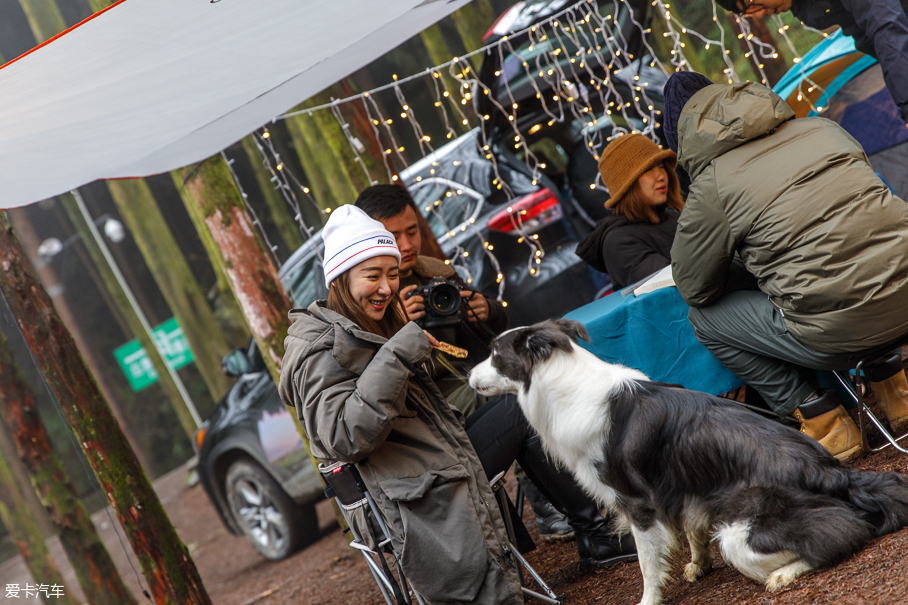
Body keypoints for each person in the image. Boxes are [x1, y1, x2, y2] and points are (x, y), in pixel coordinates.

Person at [278, 206, 636, 603]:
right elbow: (344, 437)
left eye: (392, 274)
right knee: (523, 404)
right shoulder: (319, 350)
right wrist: (397, 354)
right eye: (372, 275)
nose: (385, 287)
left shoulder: (367, 319)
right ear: (341, 278)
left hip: (430, 461)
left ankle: (594, 531)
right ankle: (597, 533)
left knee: (524, 396)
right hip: (406, 490)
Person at [663, 71, 908, 461]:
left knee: (704, 319)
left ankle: (824, 419)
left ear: (684, 139)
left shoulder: (713, 185)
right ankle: (896, 389)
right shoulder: (823, 128)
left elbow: (695, 288)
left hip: (841, 336)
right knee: (857, 253)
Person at [356, 185, 575, 542]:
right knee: (507, 398)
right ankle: (551, 505)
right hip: (430, 402)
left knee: (525, 380)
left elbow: (489, 335)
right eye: (392, 235)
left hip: (468, 375)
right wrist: (398, 325)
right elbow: (373, 374)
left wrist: (487, 310)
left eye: (412, 231)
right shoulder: (370, 295)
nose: (407, 244)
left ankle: (567, 491)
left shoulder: (434, 272)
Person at [716, 0, 908, 126]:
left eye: (752, 4)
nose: (759, 14)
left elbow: (886, 27)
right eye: (747, 13)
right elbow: (868, 39)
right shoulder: (805, 8)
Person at [575, 133, 684, 290]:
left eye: (661, 167)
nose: (660, 176)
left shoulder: (673, 217)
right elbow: (676, 283)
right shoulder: (619, 242)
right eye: (648, 170)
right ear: (627, 184)